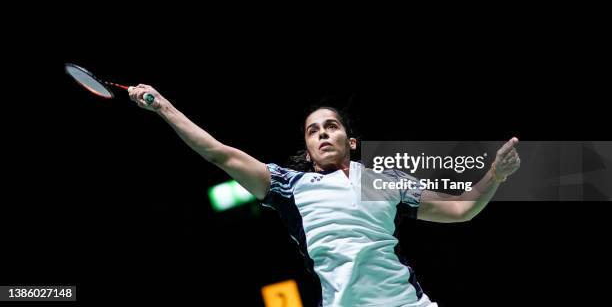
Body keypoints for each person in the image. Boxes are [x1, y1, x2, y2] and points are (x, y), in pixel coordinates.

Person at [128, 85, 521, 307]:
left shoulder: (380, 182)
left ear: (349, 141)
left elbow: (459, 209)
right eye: (313, 130)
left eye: (331, 126)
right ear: (308, 146)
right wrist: (164, 107)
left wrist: (495, 175)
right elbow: (220, 153)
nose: (322, 133)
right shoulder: (290, 187)